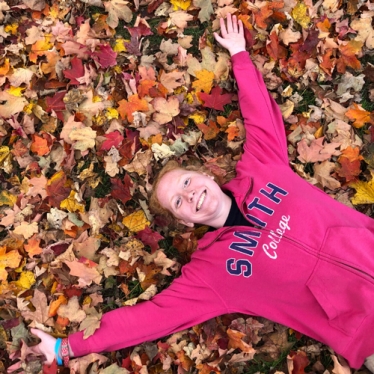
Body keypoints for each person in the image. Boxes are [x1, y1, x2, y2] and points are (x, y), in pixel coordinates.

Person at [30, 14, 374, 372]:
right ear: (183, 220)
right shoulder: (212, 275)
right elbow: (152, 318)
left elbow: (260, 117)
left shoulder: (262, 170)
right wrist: (63, 347)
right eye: (178, 201)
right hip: (363, 330)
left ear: (206, 176)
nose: (190, 195)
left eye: (186, 183)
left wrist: (240, 55)